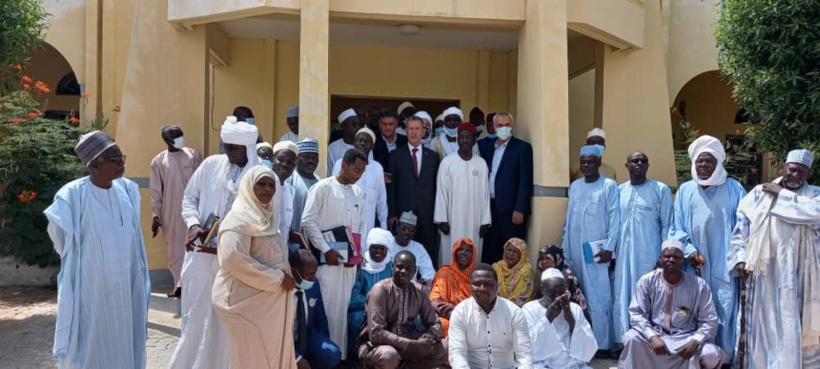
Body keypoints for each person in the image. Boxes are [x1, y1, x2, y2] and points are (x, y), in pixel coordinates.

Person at [44, 131, 150, 369]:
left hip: (126, 287)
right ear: (93, 163)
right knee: (92, 343)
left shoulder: (129, 191)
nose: (121, 163)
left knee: (125, 340)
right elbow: (61, 241)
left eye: (121, 157)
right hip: (92, 289)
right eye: (114, 159)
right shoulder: (71, 196)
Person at [168, 116, 260, 369]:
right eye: (226, 146)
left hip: (238, 260)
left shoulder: (260, 174)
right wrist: (193, 224)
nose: (228, 152)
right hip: (202, 255)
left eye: (235, 148)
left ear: (248, 149)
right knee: (197, 313)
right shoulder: (210, 165)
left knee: (228, 315)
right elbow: (189, 199)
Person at [728, 148, 820, 368]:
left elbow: (815, 213)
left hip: (803, 274)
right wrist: (740, 258)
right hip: (765, 273)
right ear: (783, 168)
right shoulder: (760, 193)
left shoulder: (814, 194)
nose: (796, 175)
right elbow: (741, 228)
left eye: (802, 172)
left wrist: (781, 193)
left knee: (798, 322)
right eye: (793, 169)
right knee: (766, 323)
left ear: (808, 174)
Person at [668, 135, 746, 361]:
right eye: (700, 161)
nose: (703, 165)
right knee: (691, 309)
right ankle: (695, 357)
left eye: (708, 161)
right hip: (694, 265)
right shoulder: (685, 190)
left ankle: (723, 358)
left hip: (725, 263)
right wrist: (690, 251)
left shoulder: (734, 188)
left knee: (724, 307)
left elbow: (745, 225)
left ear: (718, 163)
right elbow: (677, 227)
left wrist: (740, 257)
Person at [211, 166, 297, 369]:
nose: (267, 189)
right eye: (261, 184)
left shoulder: (265, 218)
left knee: (268, 357)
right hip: (244, 302)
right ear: (249, 186)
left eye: (271, 185)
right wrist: (277, 278)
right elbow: (234, 260)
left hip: (267, 304)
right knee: (252, 358)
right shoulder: (237, 219)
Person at [301, 148, 367, 360]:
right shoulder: (322, 188)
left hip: (348, 265)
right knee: (326, 309)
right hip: (327, 263)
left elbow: (362, 226)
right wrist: (326, 249)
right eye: (356, 170)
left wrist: (359, 253)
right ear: (344, 165)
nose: (358, 175)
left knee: (341, 311)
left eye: (362, 172)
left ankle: (338, 358)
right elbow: (307, 222)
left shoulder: (358, 192)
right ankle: (322, 357)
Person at [619, 239, 725, 369]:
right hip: (655, 339)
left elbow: (709, 320)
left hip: (686, 340)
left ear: (683, 261)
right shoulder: (646, 281)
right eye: (667, 256)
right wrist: (652, 337)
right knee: (631, 338)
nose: (671, 260)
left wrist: (695, 341)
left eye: (677, 257)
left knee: (711, 354)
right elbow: (636, 314)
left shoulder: (699, 286)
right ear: (660, 259)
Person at [562, 144, 620, 354]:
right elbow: (568, 220)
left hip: (597, 252)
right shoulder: (576, 186)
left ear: (598, 163)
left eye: (590, 162)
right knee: (578, 296)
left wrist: (610, 248)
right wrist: (565, 250)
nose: (586, 165)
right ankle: (580, 343)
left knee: (599, 297)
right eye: (583, 162)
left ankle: (603, 345)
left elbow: (615, 219)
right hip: (575, 251)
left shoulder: (609, 186)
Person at [613, 151, 673, 343]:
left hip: (650, 255)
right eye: (634, 161)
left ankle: (649, 341)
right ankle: (624, 341)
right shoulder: (619, 190)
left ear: (648, 165)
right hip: (623, 257)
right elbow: (613, 225)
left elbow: (667, 224)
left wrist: (663, 254)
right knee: (623, 297)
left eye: (643, 161)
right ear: (626, 165)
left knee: (648, 297)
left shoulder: (660, 189)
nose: (638, 164)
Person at [355, 251, 449, 369]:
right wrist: (410, 345)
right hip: (378, 345)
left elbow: (434, 323)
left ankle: (406, 366)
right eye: (400, 267)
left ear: (415, 271)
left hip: (410, 340)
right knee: (388, 356)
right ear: (392, 267)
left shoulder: (418, 290)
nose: (403, 271)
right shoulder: (380, 290)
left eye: (409, 268)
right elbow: (376, 333)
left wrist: (429, 335)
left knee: (446, 347)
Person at [150, 124, 202, 298]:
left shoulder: (193, 154)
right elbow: (156, 190)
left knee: (196, 245)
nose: (181, 138)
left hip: (196, 208)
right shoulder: (159, 161)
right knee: (175, 248)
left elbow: (203, 180)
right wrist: (156, 215)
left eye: (181, 134)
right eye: (176, 136)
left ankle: (194, 283)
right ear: (167, 140)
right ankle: (178, 284)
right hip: (171, 210)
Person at [449, 263, 533, 369]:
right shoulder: (460, 312)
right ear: (470, 286)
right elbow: (457, 354)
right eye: (477, 284)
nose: (482, 288)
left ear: (497, 286)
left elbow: (524, 355)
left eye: (488, 284)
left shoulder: (514, 313)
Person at [478, 112, 534, 263]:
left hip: (511, 211)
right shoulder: (488, 148)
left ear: (512, 126)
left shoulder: (522, 148)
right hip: (490, 208)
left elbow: (525, 180)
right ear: (494, 127)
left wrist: (520, 209)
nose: (503, 128)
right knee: (491, 249)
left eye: (506, 125)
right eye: (500, 125)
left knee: (511, 251)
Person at [434, 123, 491, 264]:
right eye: (461, 138)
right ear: (457, 139)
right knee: (451, 252)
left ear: (474, 141)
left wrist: (485, 221)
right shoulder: (447, 163)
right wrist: (442, 220)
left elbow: (485, 195)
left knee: (472, 251)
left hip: (475, 220)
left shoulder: (481, 164)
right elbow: (441, 192)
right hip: (452, 220)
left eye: (468, 138)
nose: (465, 141)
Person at [387, 116, 440, 263]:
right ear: (405, 131)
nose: (414, 132)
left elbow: (437, 187)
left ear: (423, 131)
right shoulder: (396, 155)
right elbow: (391, 187)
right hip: (403, 214)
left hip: (427, 215)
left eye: (417, 128)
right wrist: (392, 213)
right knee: (403, 253)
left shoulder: (433, 157)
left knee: (428, 252)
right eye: (410, 128)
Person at [522, 268, 597, 369]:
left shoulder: (575, 309)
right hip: (542, 365)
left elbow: (590, 347)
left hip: (573, 366)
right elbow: (527, 348)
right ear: (542, 289)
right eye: (553, 292)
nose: (558, 296)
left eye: (561, 292)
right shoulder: (530, 309)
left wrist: (571, 320)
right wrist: (548, 318)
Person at [291, 249, 343, 369]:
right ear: (294, 271)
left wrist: (322, 342)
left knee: (332, 353)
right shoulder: (280, 292)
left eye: (315, 273)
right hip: (284, 340)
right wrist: (297, 358)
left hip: (307, 336)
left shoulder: (313, 285)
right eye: (309, 275)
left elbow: (320, 317)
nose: (313, 279)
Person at [332, 127, 389, 236]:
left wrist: (383, 227)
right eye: (360, 140)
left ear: (372, 146)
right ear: (354, 143)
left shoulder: (377, 168)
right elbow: (334, 194)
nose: (362, 143)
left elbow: (381, 200)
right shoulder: (341, 164)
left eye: (367, 141)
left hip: (368, 225)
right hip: (344, 224)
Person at [348, 228, 395, 356]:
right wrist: (375, 306)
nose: (378, 251)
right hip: (363, 310)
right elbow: (353, 296)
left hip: (388, 310)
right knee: (355, 319)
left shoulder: (392, 268)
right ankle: (355, 355)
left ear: (387, 250)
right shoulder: (360, 266)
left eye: (382, 248)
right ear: (369, 248)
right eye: (375, 247)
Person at [429, 238, 476, 338]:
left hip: (471, 316)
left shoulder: (477, 274)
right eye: (460, 249)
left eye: (468, 250)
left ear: (473, 254)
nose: (464, 253)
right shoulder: (445, 272)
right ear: (454, 252)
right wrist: (454, 313)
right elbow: (434, 301)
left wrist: (460, 311)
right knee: (442, 325)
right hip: (448, 315)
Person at [532, 245, 589, 321]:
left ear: (557, 259)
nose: (544, 262)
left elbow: (560, 304)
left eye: (548, 258)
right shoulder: (546, 275)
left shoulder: (566, 280)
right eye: (542, 258)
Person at [389, 211, 436, 284]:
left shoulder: (418, 248)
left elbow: (429, 271)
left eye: (410, 230)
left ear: (414, 232)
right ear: (397, 228)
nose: (406, 232)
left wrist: (420, 283)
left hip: (411, 287)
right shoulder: (388, 244)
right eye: (403, 229)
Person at [289, 138, 321, 233]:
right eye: (306, 157)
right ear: (296, 158)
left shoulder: (321, 182)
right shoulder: (290, 180)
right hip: (294, 236)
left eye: (314, 157)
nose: (311, 161)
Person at [492, 238, 534, 307]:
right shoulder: (497, 267)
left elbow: (519, 299)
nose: (510, 254)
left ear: (522, 255)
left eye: (515, 251)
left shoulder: (525, 272)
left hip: (513, 311)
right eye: (508, 250)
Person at [272, 141, 298, 237]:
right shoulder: (264, 186)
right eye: (280, 159)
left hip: (282, 249)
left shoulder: (290, 190)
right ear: (272, 159)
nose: (285, 164)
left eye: (290, 162)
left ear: (294, 166)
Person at [328, 108, 364, 176]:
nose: (357, 127)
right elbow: (329, 172)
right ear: (343, 126)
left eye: (358, 124)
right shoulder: (332, 148)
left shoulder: (364, 146)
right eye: (353, 124)